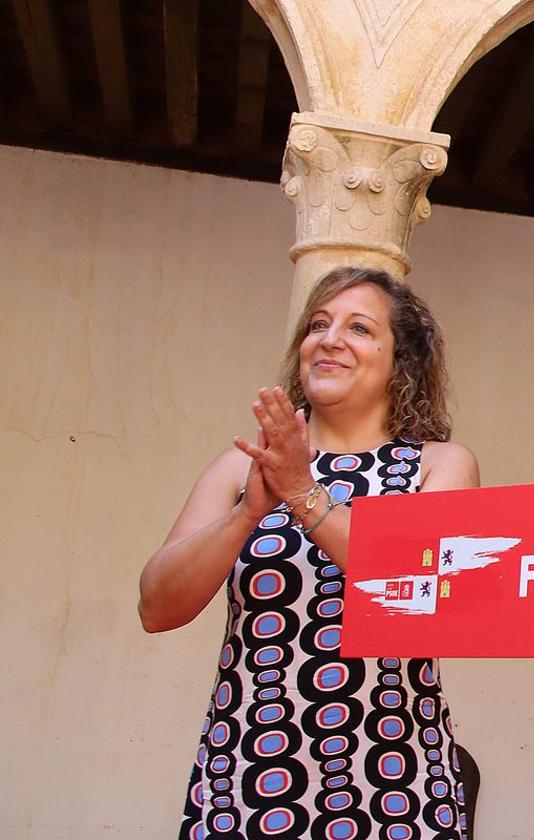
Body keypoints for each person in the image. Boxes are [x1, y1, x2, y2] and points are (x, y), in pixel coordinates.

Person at [139, 266, 479, 840]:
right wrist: (248, 512)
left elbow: (424, 592)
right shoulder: (241, 469)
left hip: (391, 774)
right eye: (318, 324)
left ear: (403, 362)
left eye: (360, 328)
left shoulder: (437, 466)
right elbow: (157, 607)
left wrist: (303, 494)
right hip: (252, 768)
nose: (330, 339)